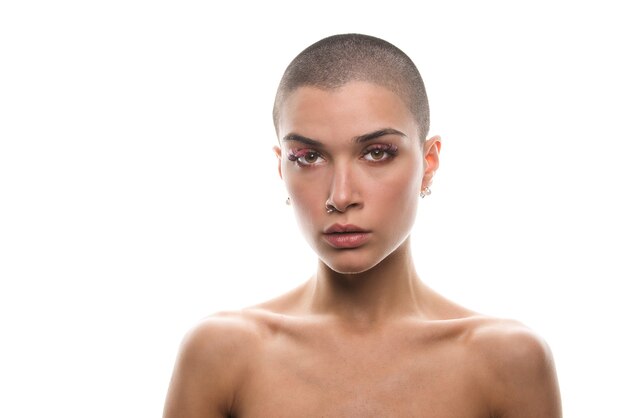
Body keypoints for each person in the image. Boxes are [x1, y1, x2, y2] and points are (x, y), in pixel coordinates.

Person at [163, 33, 562, 417]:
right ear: (280, 168)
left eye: (376, 153)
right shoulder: (222, 354)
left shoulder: (507, 361)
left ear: (429, 162)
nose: (340, 196)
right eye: (308, 156)